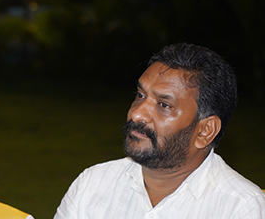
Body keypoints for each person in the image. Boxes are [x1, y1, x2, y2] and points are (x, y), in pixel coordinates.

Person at [54, 42, 265, 219]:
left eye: (164, 105)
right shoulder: (93, 184)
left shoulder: (240, 208)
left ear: (205, 131)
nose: (136, 114)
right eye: (140, 95)